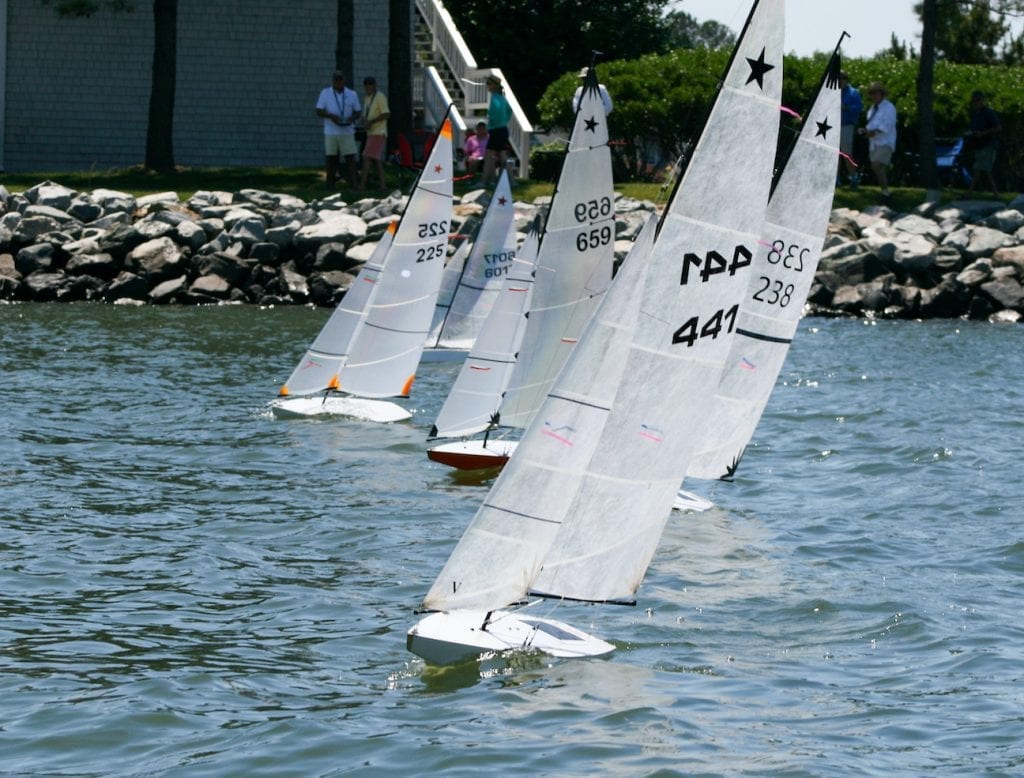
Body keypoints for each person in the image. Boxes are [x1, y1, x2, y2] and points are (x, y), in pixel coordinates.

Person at [316, 70, 362, 189]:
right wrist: (331, 116)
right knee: (331, 159)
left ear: (343, 81)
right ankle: (330, 185)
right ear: (333, 81)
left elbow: (358, 111)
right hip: (331, 131)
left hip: (347, 131)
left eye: (340, 80)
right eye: (336, 80)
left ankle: (354, 185)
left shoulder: (352, 94)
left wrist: (351, 118)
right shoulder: (325, 93)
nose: (338, 82)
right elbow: (319, 110)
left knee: (350, 158)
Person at [859, 81, 897, 201]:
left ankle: (886, 191)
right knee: (877, 167)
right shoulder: (871, 109)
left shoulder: (889, 107)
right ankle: (885, 192)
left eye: (876, 93)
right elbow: (871, 125)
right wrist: (865, 131)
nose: (874, 95)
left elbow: (888, 124)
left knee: (876, 165)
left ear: (882, 94)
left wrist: (874, 132)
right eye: (872, 93)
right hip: (874, 143)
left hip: (885, 141)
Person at [964, 90, 1001, 197]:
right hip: (979, 146)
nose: (975, 103)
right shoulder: (975, 115)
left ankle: (970, 192)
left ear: (982, 101)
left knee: (979, 169)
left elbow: (998, 127)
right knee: (983, 170)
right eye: (974, 101)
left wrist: (983, 133)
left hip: (988, 146)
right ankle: (996, 194)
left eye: (977, 101)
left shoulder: (989, 113)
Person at [357, 76, 391, 191]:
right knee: (375, 160)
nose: (368, 87)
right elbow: (365, 113)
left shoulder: (380, 97)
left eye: (370, 84)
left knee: (366, 157)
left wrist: (372, 121)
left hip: (378, 132)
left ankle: (362, 185)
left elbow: (386, 114)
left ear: (375, 85)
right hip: (371, 133)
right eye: (366, 85)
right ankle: (382, 186)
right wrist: (364, 120)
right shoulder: (367, 98)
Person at [481, 74, 511, 186]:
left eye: (488, 84)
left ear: (493, 85)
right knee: (501, 156)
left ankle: (483, 181)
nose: (487, 86)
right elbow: (509, 111)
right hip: (502, 129)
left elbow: (495, 112)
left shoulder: (495, 97)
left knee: (489, 156)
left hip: (496, 130)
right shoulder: (502, 97)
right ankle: (508, 181)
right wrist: (504, 121)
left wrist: (491, 124)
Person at [838, 71, 862, 188]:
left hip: (846, 126)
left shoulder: (853, 93)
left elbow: (858, 108)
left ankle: (853, 178)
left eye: (842, 78)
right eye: (839, 78)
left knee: (847, 154)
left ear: (846, 80)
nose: (840, 80)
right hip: (833, 127)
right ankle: (835, 180)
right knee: (833, 154)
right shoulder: (833, 91)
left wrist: (845, 107)